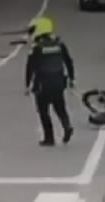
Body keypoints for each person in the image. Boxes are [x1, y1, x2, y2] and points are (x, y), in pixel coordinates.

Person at [24, 16, 75, 147]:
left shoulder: (37, 48)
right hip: (58, 80)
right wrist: (71, 78)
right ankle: (66, 125)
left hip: (43, 83)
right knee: (60, 107)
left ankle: (49, 138)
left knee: (43, 111)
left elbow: (31, 67)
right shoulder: (59, 44)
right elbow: (68, 61)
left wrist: (27, 84)